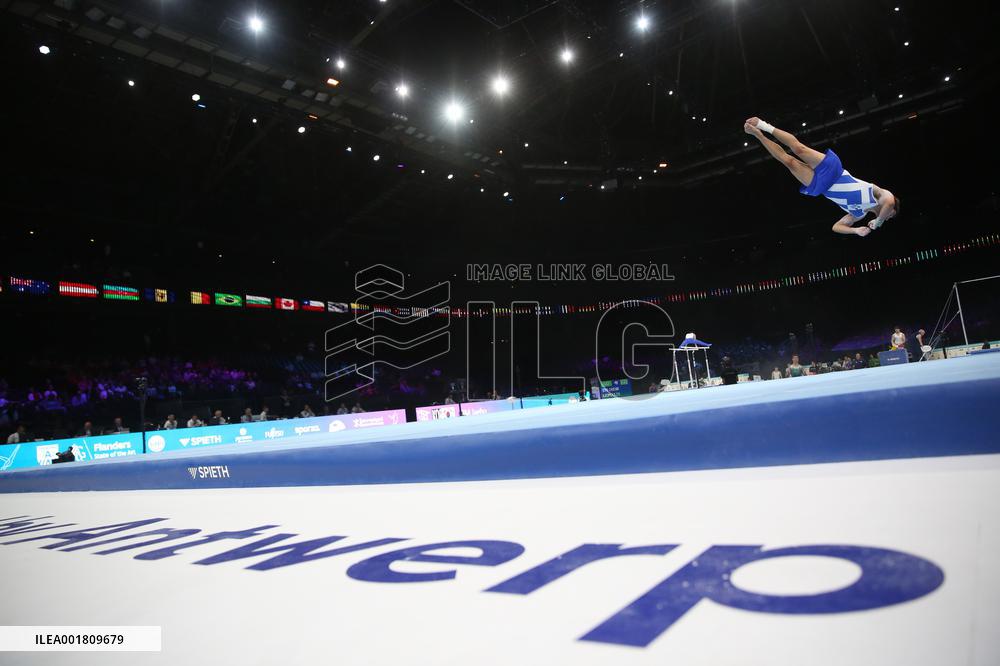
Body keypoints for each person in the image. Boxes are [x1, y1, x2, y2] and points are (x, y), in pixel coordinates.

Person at [744, 117, 899, 236]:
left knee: (788, 161)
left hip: (820, 186)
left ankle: (758, 135)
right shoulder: (879, 194)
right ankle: (764, 125)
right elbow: (890, 202)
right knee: (799, 149)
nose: (888, 217)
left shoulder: (859, 213)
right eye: (891, 215)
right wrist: (879, 221)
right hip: (834, 171)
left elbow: (837, 227)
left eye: (888, 218)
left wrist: (856, 230)